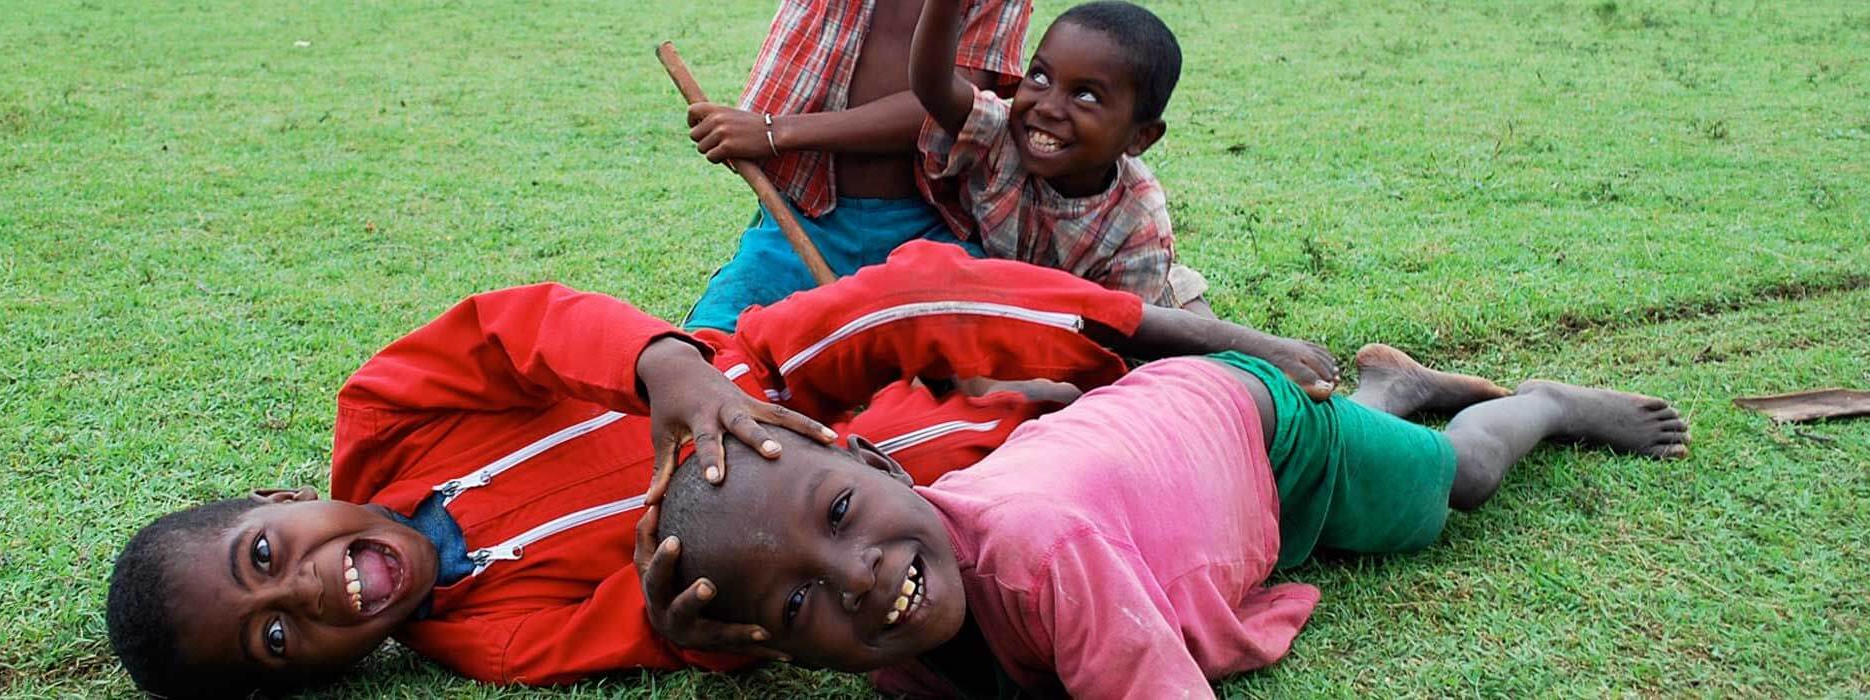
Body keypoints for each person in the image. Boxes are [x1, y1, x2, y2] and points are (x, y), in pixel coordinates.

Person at [101, 241, 1338, 697]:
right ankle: (1049, 395)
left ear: (273, 503)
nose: (312, 593)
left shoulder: (379, 415)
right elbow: (650, 626)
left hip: (758, 376)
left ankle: (1182, 329)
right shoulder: (474, 641)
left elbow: (517, 324)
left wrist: (664, 368)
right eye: (275, 639)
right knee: (983, 460)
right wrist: (682, 624)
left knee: (898, 294)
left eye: (265, 558)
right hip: (831, 509)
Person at [649, 311, 1692, 697]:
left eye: (838, 516)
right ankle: (1392, 389)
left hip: (1260, 431)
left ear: (880, 464)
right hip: (1173, 450)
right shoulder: (903, 625)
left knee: (1449, 485)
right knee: (1383, 455)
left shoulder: (1035, 553)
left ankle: (1544, 405)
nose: (858, 575)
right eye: (798, 608)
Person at [681, 0, 1032, 333]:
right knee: (706, 350)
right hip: (803, 224)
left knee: (990, 356)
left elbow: (950, 105)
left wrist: (776, 132)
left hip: (931, 232)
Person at [911, 0, 1207, 312]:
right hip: (1018, 289)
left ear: (1140, 137)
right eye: (1040, 76)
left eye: (1086, 95)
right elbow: (934, 87)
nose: (1048, 107)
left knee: (1204, 341)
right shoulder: (1004, 133)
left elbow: (1116, 334)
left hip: (1135, 298)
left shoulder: (1137, 228)